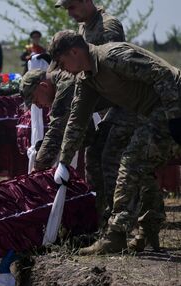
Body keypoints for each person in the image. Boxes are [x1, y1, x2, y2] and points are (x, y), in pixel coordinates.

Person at [48, 30, 180, 254]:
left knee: (131, 162)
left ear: (74, 51)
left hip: (171, 104)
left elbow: (164, 75)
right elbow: (77, 120)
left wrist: (176, 119)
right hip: (153, 113)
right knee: (144, 170)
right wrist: (64, 161)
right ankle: (147, 234)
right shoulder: (86, 78)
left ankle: (115, 236)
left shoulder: (113, 57)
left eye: (61, 63)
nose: (61, 70)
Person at [54, 0, 146, 233]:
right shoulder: (84, 28)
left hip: (130, 101)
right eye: (67, 10)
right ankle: (102, 217)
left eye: (72, 7)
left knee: (111, 157)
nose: (70, 13)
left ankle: (124, 223)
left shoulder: (108, 27)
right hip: (111, 104)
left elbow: (105, 68)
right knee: (94, 154)